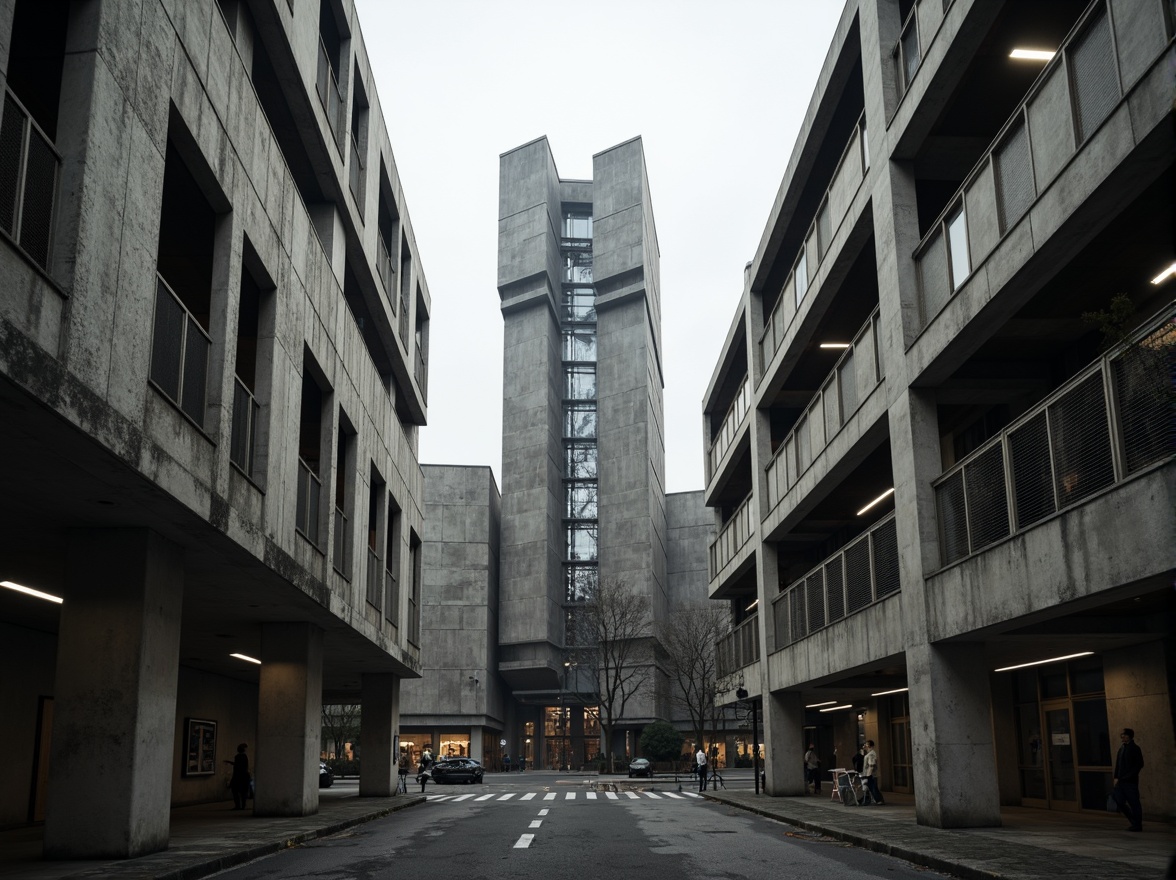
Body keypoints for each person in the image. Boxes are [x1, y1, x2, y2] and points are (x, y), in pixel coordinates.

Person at [1113, 728, 1144, 831]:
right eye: (1121, 734)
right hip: (1120, 782)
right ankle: (1134, 821)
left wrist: (1129, 776)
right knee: (1119, 800)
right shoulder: (1121, 749)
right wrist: (1116, 777)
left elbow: (1139, 764)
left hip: (1130, 782)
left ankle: (1137, 825)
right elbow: (1118, 765)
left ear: (1129, 736)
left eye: (1124, 735)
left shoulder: (1135, 748)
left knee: (1134, 803)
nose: (1122, 736)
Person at [223, 743, 250, 810]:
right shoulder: (245, 757)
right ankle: (243, 805)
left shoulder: (237, 757)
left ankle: (237, 805)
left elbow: (237, 766)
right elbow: (243, 766)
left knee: (235, 791)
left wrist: (230, 763)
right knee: (243, 792)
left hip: (238, 776)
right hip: (244, 776)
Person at [861, 740, 883, 805]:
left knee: (873, 787)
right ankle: (876, 799)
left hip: (871, 774)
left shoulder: (871, 754)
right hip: (869, 773)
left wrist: (868, 775)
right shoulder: (869, 753)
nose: (866, 746)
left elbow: (871, 765)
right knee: (872, 787)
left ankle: (878, 800)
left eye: (867, 745)